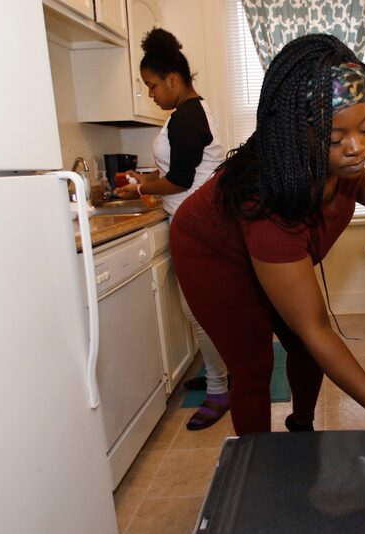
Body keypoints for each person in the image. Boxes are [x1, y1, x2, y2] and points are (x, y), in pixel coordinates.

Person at [170, 34, 365, 466]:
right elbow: (317, 328)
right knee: (254, 365)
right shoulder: (266, 203)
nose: (356, 147)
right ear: (296, 131)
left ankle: (300, 431)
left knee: (305, 351)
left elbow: (360, 181)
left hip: (259, 243)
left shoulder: (338, 162)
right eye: (336, 134)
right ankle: (260, 470)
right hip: (212, 252)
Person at [114, 28, 229, 430]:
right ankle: (219, 375)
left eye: (152, 85)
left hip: (195, 227)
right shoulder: (193, 113)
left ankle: (218, 389)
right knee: (201, 309)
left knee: (197, 311)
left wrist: (140, 186)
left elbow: (179, 179)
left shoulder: (187, 118)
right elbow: (183, 170)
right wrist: (146, 182)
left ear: (173, 80)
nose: (150, 94)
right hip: (198, 223)